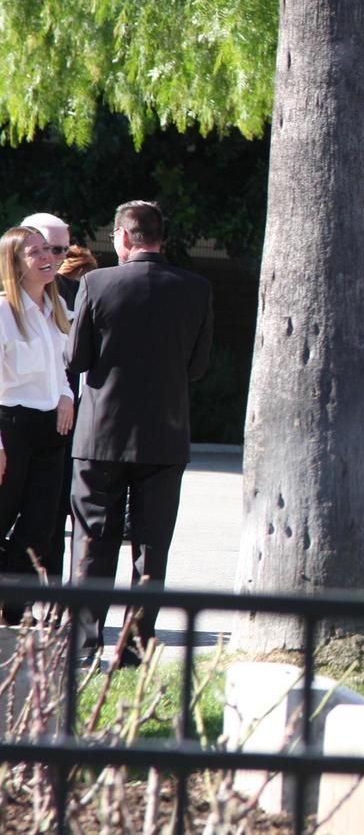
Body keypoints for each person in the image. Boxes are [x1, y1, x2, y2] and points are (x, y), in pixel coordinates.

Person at [67, 201, 213, 666]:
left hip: (101, 433)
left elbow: (78, 360)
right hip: (165, 434)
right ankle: (133, 648)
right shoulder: (197, 289)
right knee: (152, 547)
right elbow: (197, 367)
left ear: (124, 238)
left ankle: (86, 645)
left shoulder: (96, 283)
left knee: (92, 540)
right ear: (159, 238)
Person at [0, 226, 76, 623]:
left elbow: (61, 368)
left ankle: (12, 614)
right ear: (15, 263)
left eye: (48, 249)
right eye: (35, 252)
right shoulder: (2, 312)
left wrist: (66, 396)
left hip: (51, 431)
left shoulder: (54, 308)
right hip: (11, 428)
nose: (47, 256)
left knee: (39, 527)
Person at [19, 213, 80, 582]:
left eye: (62, 249)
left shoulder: (75, 293)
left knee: (51, 516)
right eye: (48, 249)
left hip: (62, 421)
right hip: (13, 422)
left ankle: (51, 600)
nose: (55, 258)